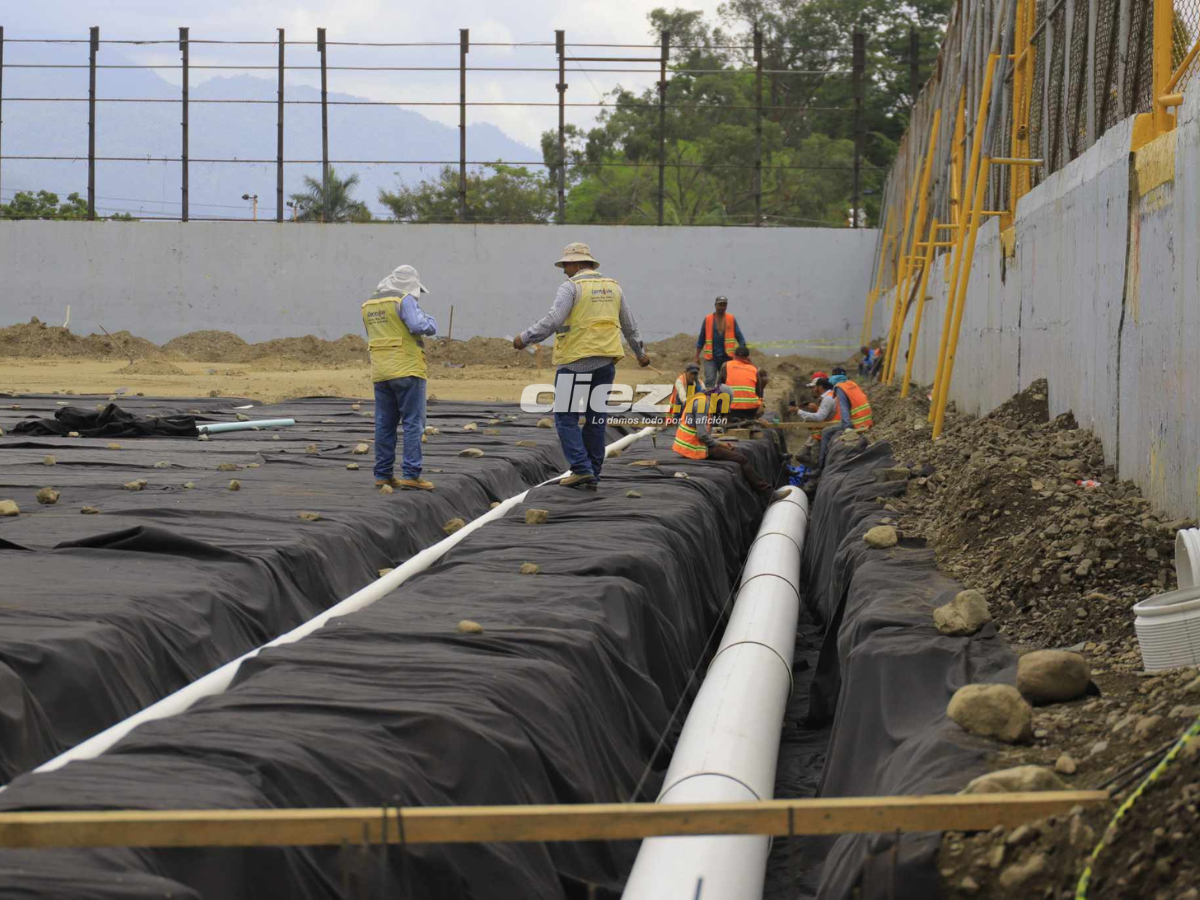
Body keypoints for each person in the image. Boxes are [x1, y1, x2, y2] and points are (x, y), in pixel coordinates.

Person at [514, 242, 651, 488]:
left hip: (575, 363)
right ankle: (593, 472)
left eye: (566, 265)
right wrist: (640, 353)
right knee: (596, 419)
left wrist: (524, 338)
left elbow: (553, 320)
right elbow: (629, 324)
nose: (564, 270)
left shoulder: (571, 287)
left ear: (576, 264)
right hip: (605, 364)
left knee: (566, 418)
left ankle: (580, 468)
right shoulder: (613, 288)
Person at [362, 264, 437, 491]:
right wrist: (430, 321)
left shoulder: (369, 304)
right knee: (413, 422)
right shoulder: (403, 300)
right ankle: (411, 474)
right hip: (407, 368)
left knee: (385, 423)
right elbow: (417, 325)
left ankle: (383, 474)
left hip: (381, 371)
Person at [671, 384, 772, 496]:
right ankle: (768, 493)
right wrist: (720, 444)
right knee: (741, 459)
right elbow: (702, 434)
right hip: (694, 447)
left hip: (692, 445)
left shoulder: (702, 399)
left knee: (735, 453)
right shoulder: (702, 404)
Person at [797, 371, 873, 468]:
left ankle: (820, 466)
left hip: (857, 423)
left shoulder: (839, 389)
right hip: (866, 421)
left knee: (826, 432)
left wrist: (846, 428)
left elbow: (843, 409)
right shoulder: (852, 385)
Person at [695, 296, 746, 388]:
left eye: (724, 305)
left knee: (727, 382)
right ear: (715, 305)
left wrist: (742, 353)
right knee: (710, 380)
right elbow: (701, 338)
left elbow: (740, 337)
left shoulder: (731, 319)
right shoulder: (708, 319)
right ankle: (710, 400)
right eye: (720, 305)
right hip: (711, 358)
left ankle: (725, 401)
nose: (722, 307)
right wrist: (697, 356)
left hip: (727, 358)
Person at [718, 345, 767, 421]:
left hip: (732, 410)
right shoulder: (754, 369)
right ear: (748, 357)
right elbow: (759, 392)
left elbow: (718, 387)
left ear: (735, 356)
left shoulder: (726, 366)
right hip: (751, 410)